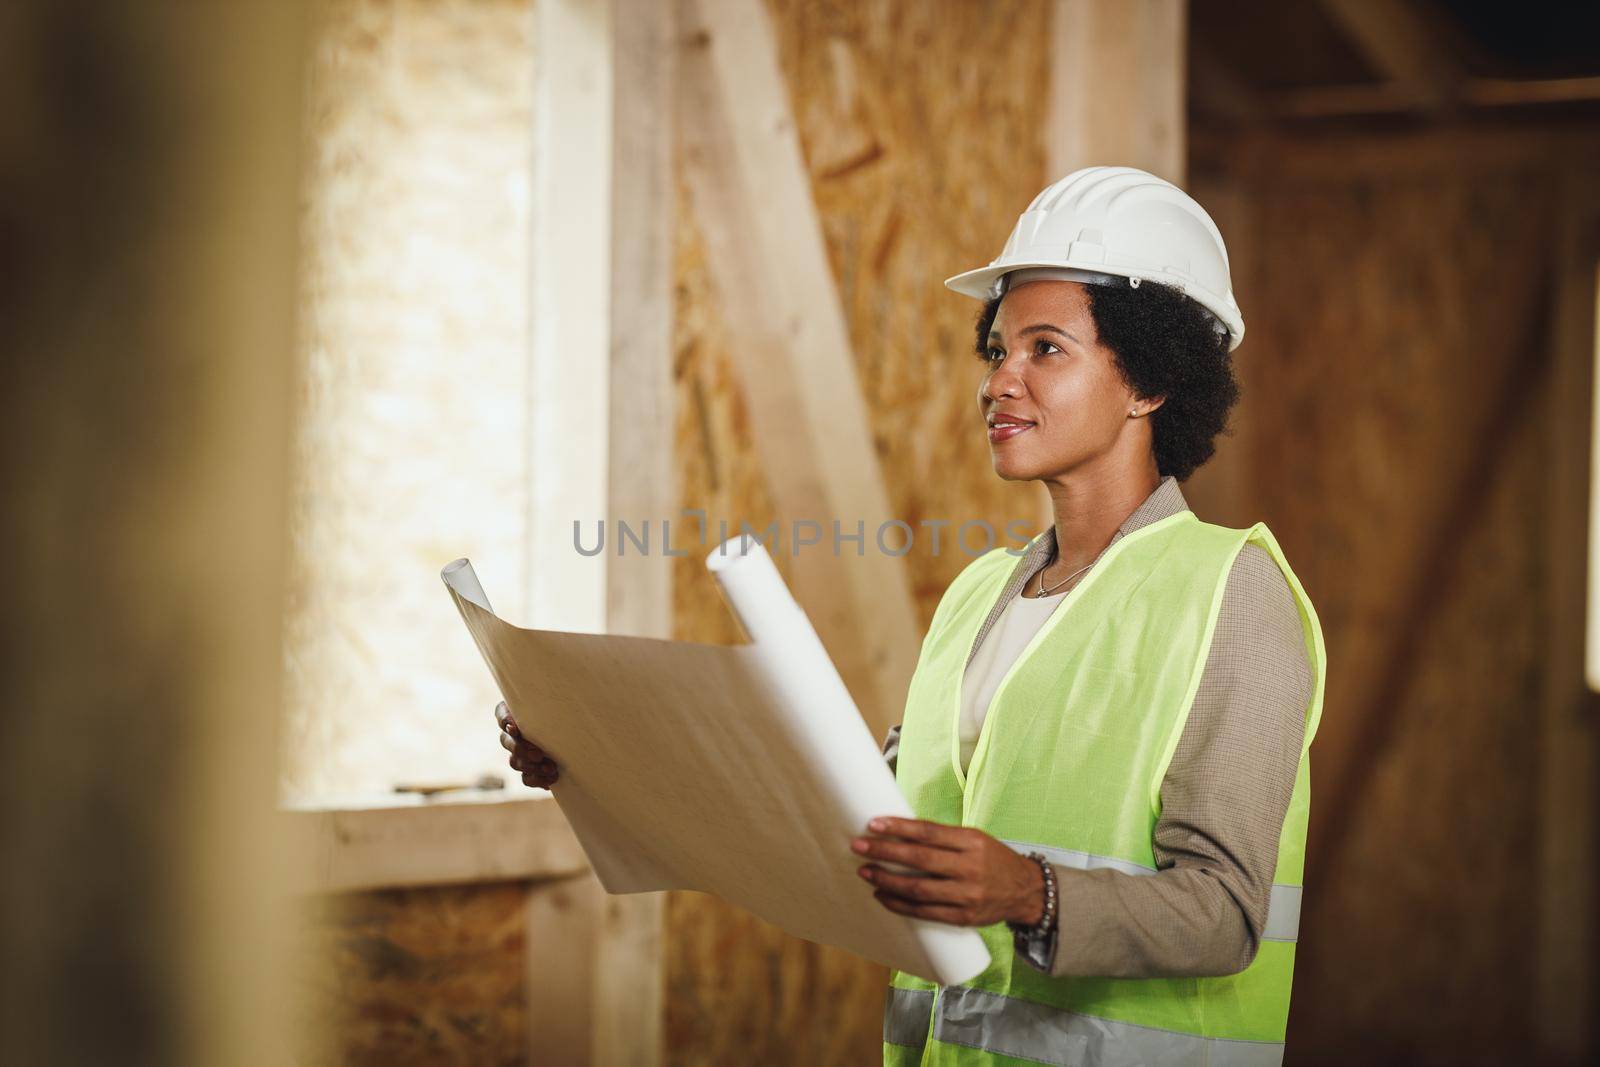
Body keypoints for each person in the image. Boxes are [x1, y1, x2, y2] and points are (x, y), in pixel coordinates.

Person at [496, 165, 1326, 1067]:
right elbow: (840, 814)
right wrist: (599, 759)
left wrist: (1029, 892)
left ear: (1151, 382)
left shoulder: (1230, 593)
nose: (1000, 382)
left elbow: (1227, 913)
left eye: (1045, 349)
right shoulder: (978, 597)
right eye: (997, 350)